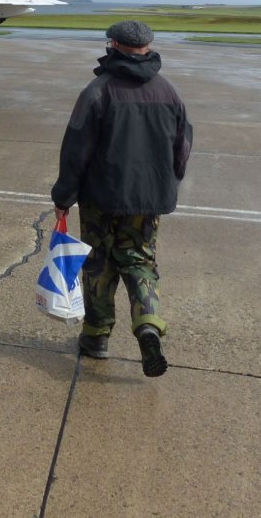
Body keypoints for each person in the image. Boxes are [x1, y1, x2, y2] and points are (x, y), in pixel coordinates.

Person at [50, 19, 192, 378]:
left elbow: (76, 150)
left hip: (102, 198)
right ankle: (147, 322)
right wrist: (167, 183)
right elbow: (182, 147)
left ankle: (97, 337)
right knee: (140, 260)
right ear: (148, 48)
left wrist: (64, 194)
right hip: (149, 200)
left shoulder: (98, 91)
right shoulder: (169, 92)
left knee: (99, 264)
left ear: (112, 45)